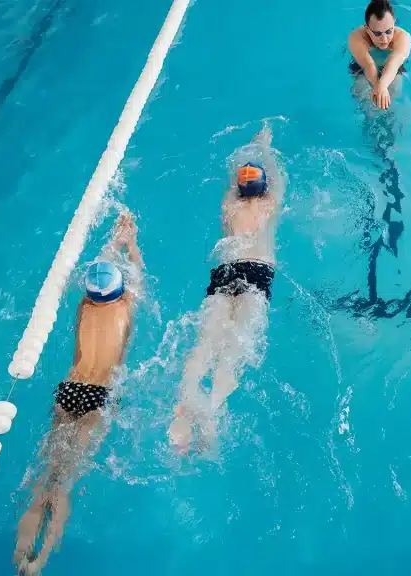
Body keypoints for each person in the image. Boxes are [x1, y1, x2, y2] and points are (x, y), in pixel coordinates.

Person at [14, 212, 143, 574]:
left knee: (45, 475)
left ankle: (20, 553)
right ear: (120, 289)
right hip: (99, 395)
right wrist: (129, 240)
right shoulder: (128, 305)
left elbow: (98, 268)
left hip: (70, 390)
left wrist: (112, 242)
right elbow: (137, 270)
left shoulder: (83, 306)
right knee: (66, 481)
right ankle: (38, 562)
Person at [168, 123, 284, 453]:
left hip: (224, 270)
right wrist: (264, 147)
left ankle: (184, 401)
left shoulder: (228, 206)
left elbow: (234, 181)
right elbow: (276, 178)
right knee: (233, 350)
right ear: (263, 190)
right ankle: (213, 411)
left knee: (206, 342)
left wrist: (245, 154)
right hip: (258, 271)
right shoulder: (270, 204)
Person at [348, 0, 411, 110]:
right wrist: (380, 87)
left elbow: (394, 63)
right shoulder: (357, 38)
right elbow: (368, 64)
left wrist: (382, 86)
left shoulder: (403, 37)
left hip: (392, 68)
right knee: (364, 99)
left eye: (388, 31)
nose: (384, 39)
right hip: (363, 67)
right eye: (377, 33)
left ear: (394, 24)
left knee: (392, 98)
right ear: (367, 29)